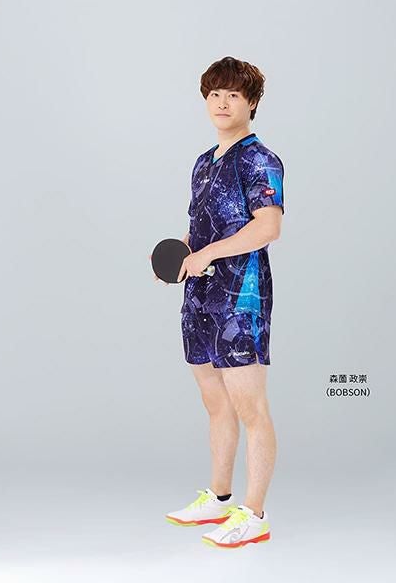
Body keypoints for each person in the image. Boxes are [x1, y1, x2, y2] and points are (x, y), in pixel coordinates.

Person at [155, 56, 285, 549]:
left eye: (233, 94)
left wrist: (208, 254)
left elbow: (268, 227)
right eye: (214, 94)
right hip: (200, 294)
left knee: (251, 406)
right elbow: (200, 227)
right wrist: (180, 258)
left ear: (251, 103)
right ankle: (220, 498)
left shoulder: (260, 160)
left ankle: (255, 515)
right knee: (215, 402)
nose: (222, 103)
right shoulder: (203, 162)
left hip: (240, 297)